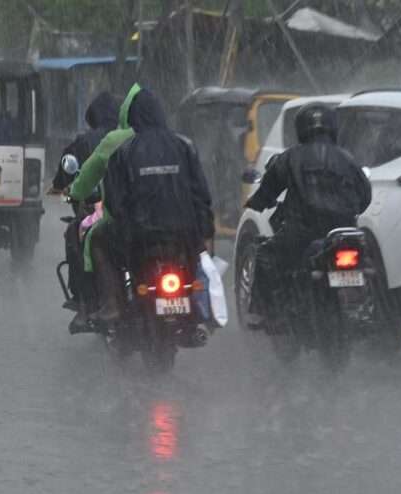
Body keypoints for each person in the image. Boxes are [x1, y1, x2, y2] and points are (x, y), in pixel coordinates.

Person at [95, 88, 215, 322]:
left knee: (99, 239)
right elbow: (201, 195)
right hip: (184, 234)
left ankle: (114, 303)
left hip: (141, 236)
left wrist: (126, 227)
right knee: (202, 265)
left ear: (133, 118)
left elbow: (114, 202)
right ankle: (202, 309)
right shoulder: (184, 146)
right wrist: (205, 232)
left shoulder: (124, 151)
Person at [244, 103, 372, 322]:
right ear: (332, 127)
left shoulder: (291, 157)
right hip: (342, 232)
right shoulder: (347, 159)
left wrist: (256, 202)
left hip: (303, 230)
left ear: (301, 128)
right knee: (369, 264)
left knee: (266, 255)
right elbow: (365, 196)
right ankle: (369, 311)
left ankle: (266, 314)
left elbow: (268, 188)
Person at [54, 92, 120, 333]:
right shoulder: (136, 137)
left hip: (102, 213)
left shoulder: (84, 143)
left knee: (75, 234)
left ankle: (85, 303)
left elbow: (64, 179)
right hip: (139, 214)